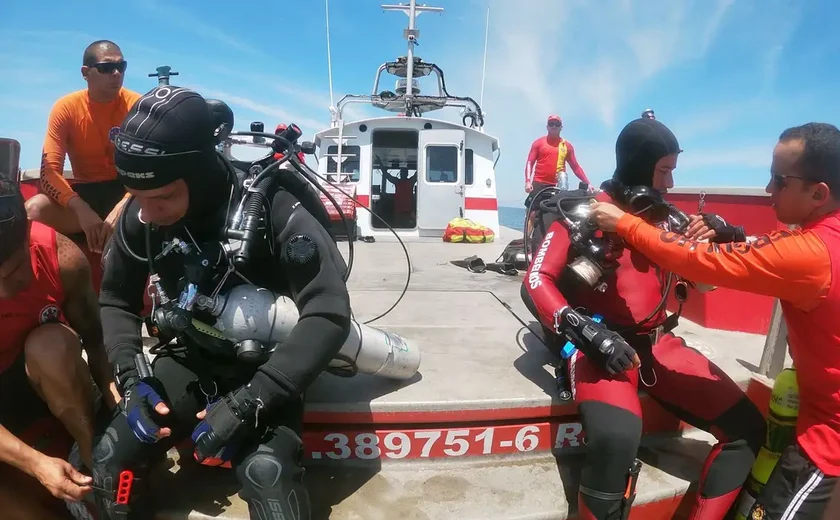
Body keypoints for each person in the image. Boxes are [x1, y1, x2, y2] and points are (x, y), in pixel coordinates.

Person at [85, 86, 351, 520]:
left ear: (200, 174)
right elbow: (115, 300)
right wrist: (132, 378)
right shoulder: (141, 215)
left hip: (270, 364)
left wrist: (252, 401)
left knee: (267, 474)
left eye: (162, 197)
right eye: (136, 196)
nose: (146, 213)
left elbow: (329, 312)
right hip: (193, 353)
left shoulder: (272, 207)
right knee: (109, 460)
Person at [589, 122, 840, 520]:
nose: (769, 189)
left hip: (829, 444)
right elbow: (771, 250)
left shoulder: (813, 254)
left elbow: (699, 265)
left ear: (818, 193)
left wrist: (623, 223)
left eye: (779, 180)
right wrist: (733, 233)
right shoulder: (826, 240)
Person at [522, 117, 766, 520]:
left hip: (658, 344)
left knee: (748, 429)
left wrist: (716, 245)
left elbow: (704, 288)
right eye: (664, 171)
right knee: (617, 440)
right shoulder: (583, 212)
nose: (669, 184)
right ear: (639, 166)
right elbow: (537, 278)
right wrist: (584, 331)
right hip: (600, 348)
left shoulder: (668, 221)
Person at [0, 177, 120, 518]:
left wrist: (117, 402)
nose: (4, 291)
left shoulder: (62, 256)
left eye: (14, 272)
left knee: (52, 345)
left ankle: (92, 464)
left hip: (32, 379)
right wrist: (35, 463)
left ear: (28, 235)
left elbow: (97, 344)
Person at [25, 40, 141, 254]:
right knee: (34, 209)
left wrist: (122, 207)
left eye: (121, 66)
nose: (116, 73)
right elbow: (49, 173)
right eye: (106, 68)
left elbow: (146, 168)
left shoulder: (138, 106)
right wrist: (80, 209)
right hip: (85, 194)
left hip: (128, 192)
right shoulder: (66, 108)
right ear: (85, 73)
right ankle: (63, 264)